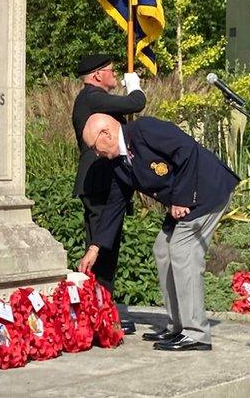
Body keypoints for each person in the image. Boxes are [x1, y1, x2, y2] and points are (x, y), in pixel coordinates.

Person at [79, 114, 240, 351]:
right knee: (162, 250)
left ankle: (196, 333)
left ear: (106, 134)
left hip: (206, 191)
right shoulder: (119, 162)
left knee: (182, 250)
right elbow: (115, 204)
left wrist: (181, 198)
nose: (95, 153)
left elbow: (188, 151)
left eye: (94, 147)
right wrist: (95, 247)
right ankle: (178, 325)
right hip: (183, 201)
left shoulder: (145, 130)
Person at [71, 54, 145, 334]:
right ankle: (101, 314)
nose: (115, 75)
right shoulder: (92, 97)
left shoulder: (93, 97)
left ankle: (102, 311)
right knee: (102, 249)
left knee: (105, 248)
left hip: (106, 183)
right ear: (97, 75)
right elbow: (135, 103)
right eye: (112, 72)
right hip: (100, 183)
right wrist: (134, 85)